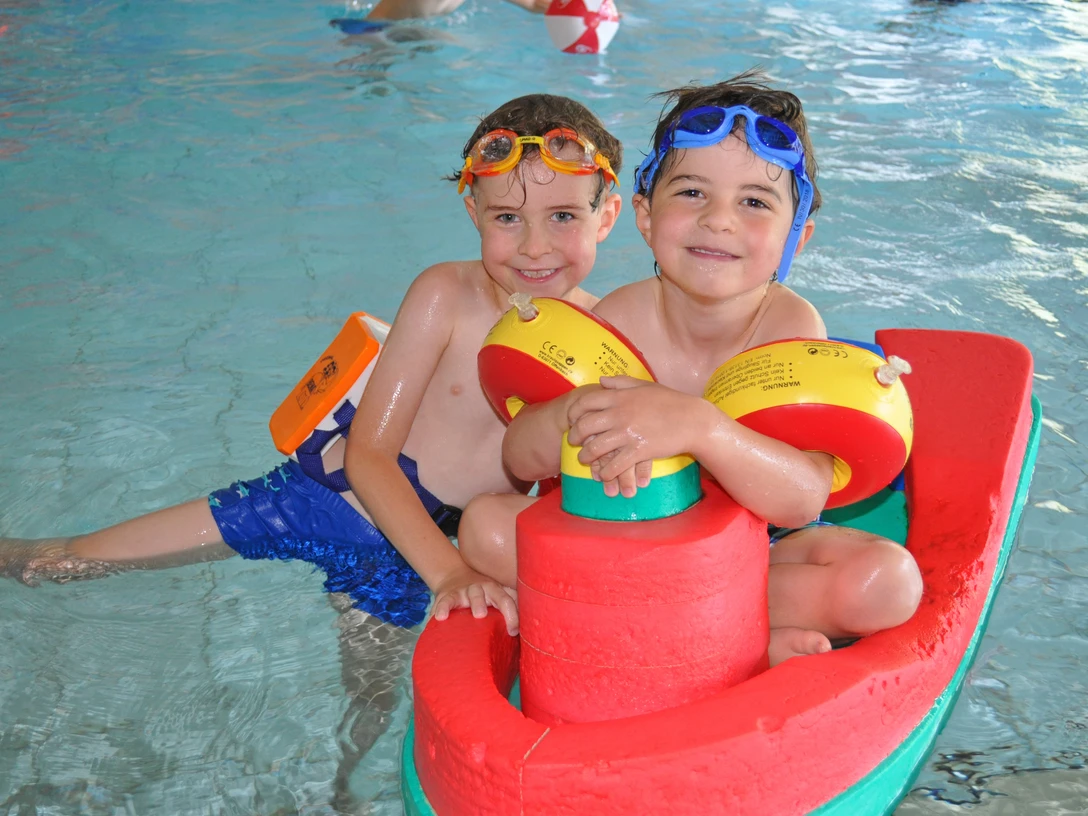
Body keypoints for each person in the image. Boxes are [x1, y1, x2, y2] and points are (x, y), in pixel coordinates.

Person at [0, 92, 623, 638]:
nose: (534, 246)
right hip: (326, 500)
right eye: (507, 218)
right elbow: (369, 456)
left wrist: (449, 566)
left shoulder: (608, 340)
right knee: (63, 559)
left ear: (609, 216)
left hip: (415, 553)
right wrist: (451, 573)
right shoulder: (445, 295)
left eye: (563, 216)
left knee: (368, 714)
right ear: (473, 214)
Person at [457, 70, 923, 666]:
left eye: (754, 202)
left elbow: (803, 500)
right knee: (485, 528)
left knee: (886, 583)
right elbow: (519, 460)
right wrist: (570, 413)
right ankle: (724, 638)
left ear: (795, 238)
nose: (719, 220)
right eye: (693, 193)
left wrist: (704, 428)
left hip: (745, 560)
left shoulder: (791, 331)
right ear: (647, 217)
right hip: (620, 545)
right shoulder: (621, 320)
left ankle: (637, 627)